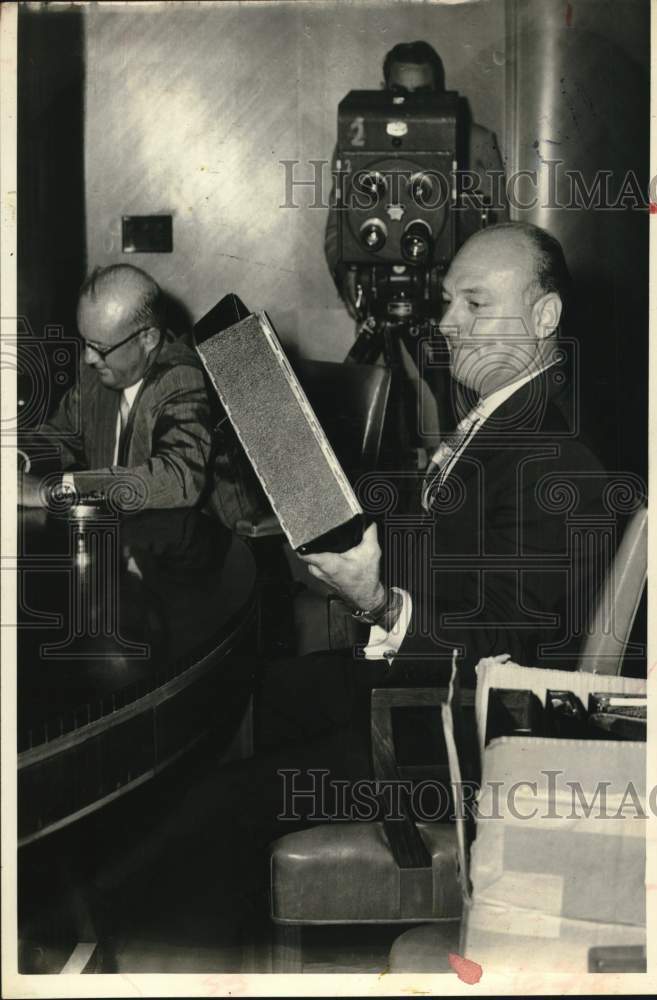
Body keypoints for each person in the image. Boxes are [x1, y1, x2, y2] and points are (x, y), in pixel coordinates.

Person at [301, 222, 609, 685]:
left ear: (545, 317)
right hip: (422, 656)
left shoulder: (554, 461)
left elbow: (505, 646)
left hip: (455, 714)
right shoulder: (504, 411)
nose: (446, 323)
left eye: (476, 303)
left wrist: (378, 601)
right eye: (448, 300)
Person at [325, 40, 509, 318]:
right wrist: (347, 272)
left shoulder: (476, 143)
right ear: (383, 89)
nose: (409, 104)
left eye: (422, 94)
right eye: (400, 92)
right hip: (382, 298)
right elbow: (337, 227)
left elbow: (498, 232)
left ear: (440, 92)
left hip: (453, 306)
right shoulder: (355, 145)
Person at [18, 264, 214, 512]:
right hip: (111, 531)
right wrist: (16, 454)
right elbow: (62, 436)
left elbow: (179, 479)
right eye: (85, 342)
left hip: (169, 541)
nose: (88, 357)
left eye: (99, 347)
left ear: (148, 339)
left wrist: (54, 490)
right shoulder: (96, 371)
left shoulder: (180, 377)